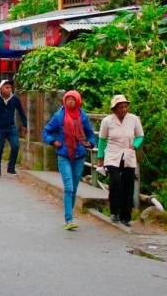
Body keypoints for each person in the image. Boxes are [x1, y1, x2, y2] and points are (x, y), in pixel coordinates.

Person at [43, 90, 96, 231]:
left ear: (78, 101)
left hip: (79, 155)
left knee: (74, 188)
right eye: (68, 99)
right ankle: (69, 219)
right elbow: (46, 131)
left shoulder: (83, 117)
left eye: (73, 100)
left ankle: (70, 215)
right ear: (64, 101)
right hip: (64, 155)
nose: (70, 102)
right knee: (69, 187)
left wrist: (91, 143)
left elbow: (91, 134)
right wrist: (53, 142)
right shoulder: (59, 116)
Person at [98, 95, 144, 226]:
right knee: (116, 181)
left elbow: (140, 136)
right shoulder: (107, 121)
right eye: (120, 107)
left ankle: (126, 217)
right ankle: (114, 212)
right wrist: (100, 158)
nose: (123, 109)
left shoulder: (133, 119)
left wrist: (135, 145)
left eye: (125, 106)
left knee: (128, 185)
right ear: (114, 109)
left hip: (128, 154)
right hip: (112, 155)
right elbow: (102, 140)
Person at [0, 80, 28, 177]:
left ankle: (11, 168)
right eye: (6, 87)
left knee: (16, 146)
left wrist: (25, 124)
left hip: (11, 127)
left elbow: (21, 112)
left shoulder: (15, 99)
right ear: (1, 88)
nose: (9, 89)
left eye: (10, 87)